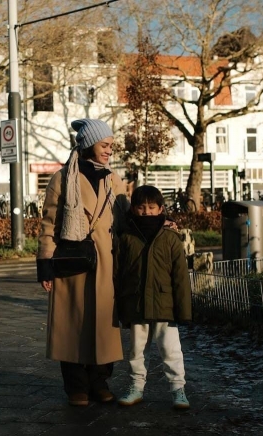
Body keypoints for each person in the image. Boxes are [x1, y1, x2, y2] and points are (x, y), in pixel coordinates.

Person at [37, 118, 129, 407]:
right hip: (72, 261)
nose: (109, 151)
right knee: (73, 325)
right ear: (89, 144)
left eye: (111, 146)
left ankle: (99, 382)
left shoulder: (114, 179)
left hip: (106, 263)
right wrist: (45, 265)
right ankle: (76, 386)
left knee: (104, 325)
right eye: (105, 145)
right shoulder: (62, 179)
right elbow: (49, 225)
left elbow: (127, 221)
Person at [114, 185, 192, 410]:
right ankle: (135, 387)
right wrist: (120, 307)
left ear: (160, 209)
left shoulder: (170, 238)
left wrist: (183, 311)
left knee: (171, 350)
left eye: (151, 207)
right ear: (133, 209)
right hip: (136, 304)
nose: (146, 212)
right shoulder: (127, 237)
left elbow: (180, 278)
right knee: (136, 351)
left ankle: (178, 389)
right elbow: (118, 274)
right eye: (141, 207)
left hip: (164, 306)